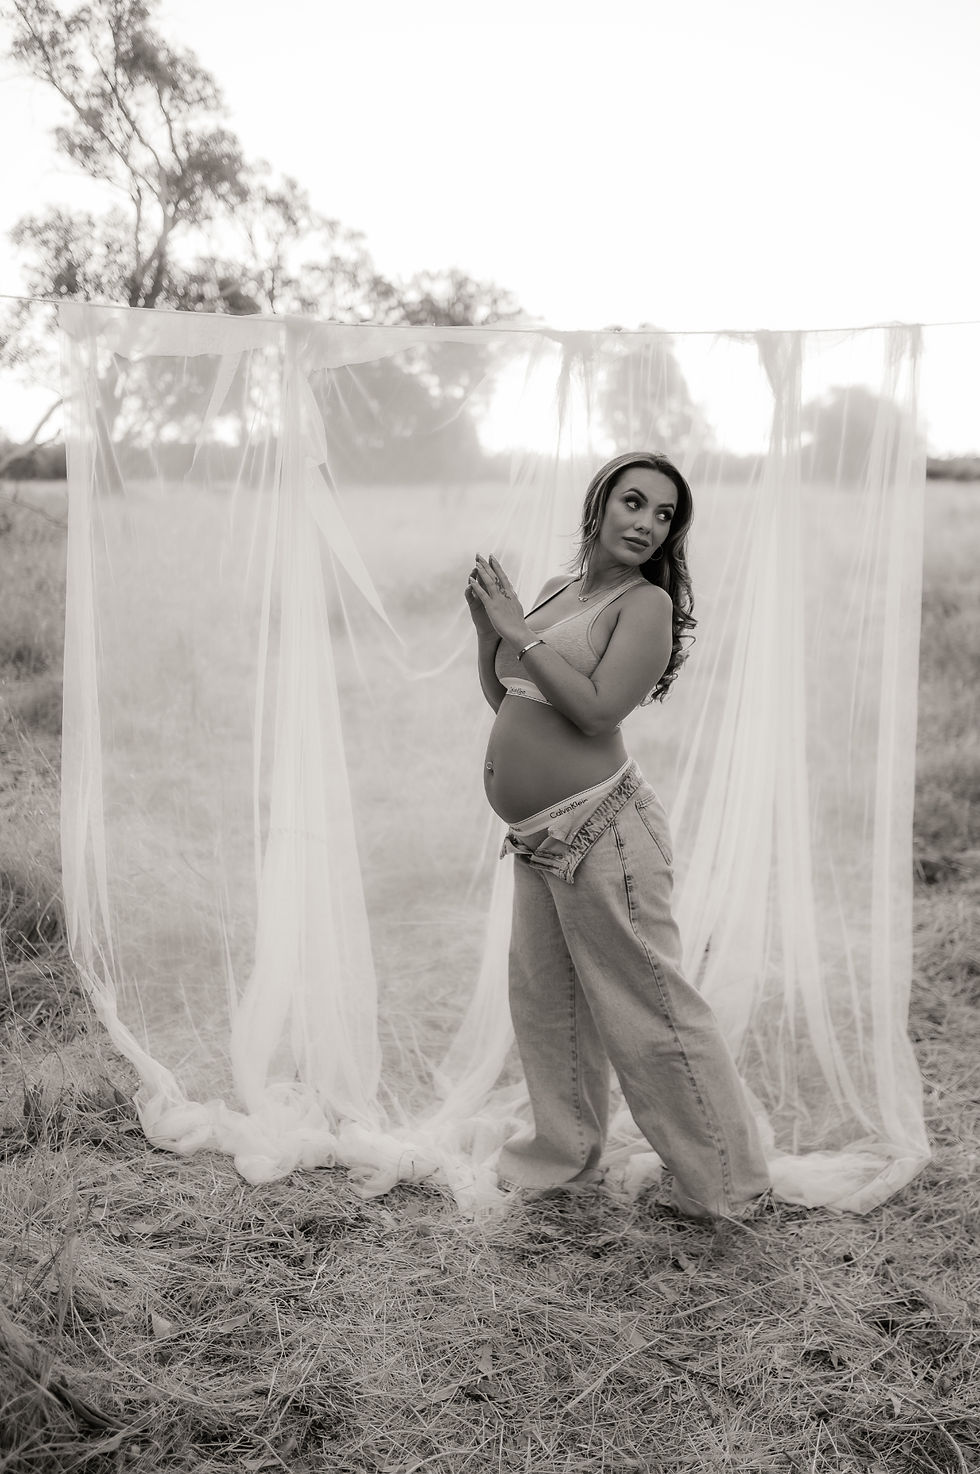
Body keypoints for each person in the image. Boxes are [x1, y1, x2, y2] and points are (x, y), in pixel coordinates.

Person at [465, 450, 770, 1219]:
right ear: (600, 504)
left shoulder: (646, 607)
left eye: (664, 516)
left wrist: (517, 632)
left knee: (650, 1011)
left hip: (604, 831)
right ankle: (562, 1159)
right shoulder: (554, 590)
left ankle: (727, 1185)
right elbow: (510, 693)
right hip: (539, 836)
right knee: (547, 1002)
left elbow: (598, 711)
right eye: (634, 503)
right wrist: (487, 632)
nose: (647, 524)